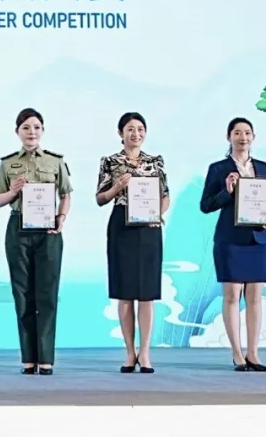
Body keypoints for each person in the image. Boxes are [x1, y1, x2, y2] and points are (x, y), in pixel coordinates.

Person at [0, 107, 72, 375]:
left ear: (43, 131)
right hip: (18, 228)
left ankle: (46, 358)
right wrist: (13, 191)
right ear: (17, 132)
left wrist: (61, 218)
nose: (31, 132)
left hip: (48, 231)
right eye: (26, 127)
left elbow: (66, 194)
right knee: (23, 294)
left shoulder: (55, 161)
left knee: (47, 294)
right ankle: (28, 358)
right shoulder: (8, 164)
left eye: (36, 127)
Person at [95, 112, 169, 374]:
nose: (136, 134)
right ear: (120, 133)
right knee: (125, 293)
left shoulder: (155, 161)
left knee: (147, 293)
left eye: (140, 129)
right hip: (121, 228)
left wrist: (157, 214)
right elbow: (100, 198)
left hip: (149, 229)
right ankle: (129, 353)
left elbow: (165, 195)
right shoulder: (110, 161)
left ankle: (145, 352)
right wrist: (117, 187)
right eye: (130, 129)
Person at [200, 116, 266, 371]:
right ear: (229, 137)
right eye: (237, 133)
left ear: (253, 137)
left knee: (255, 297)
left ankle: (253, 353)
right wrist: (227, 192)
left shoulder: (265, 168)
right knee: (232, 295)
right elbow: (206, 205)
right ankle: (237, 353)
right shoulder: (218, 169)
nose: (243, 137)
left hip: (259, 239)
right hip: (230, 240)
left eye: (247, 133)